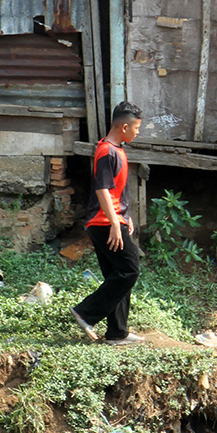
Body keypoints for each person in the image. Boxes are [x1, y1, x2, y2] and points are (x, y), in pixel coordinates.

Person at [71, 101, 145, 346]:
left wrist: (126, 216)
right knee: (130, 269)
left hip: (111, 219)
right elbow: (102, 189)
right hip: (104, 222)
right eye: (136, 128)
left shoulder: (117, 149)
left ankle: (117, 333)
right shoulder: (106, 151)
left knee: (117, 274)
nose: (137, 132)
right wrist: (115, 223)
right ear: (124, 126)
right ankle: (85, 312)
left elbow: (116, 191)